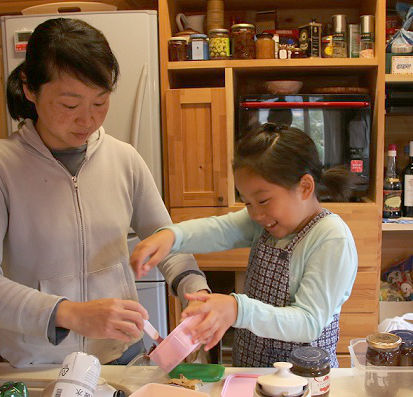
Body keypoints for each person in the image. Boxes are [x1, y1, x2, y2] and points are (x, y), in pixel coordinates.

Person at [0, 18, 209, 368]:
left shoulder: (124, 158)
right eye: (69, 106)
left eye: (100, 103)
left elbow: (166, 240)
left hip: (122, 357)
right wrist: (67, 313)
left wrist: (196, 290)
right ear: (29, 88)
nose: (87, 121)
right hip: (40, 366)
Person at [131, 122, 358, 368]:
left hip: (304, 381)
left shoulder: (331, 237)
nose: (256, 214)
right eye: (247, 203)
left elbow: (308, 322)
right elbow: (219, 229)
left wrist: (237, 309)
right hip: (251, 371)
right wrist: (172, 237)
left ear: (305, 187)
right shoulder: (265, 221)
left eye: (263, 200)